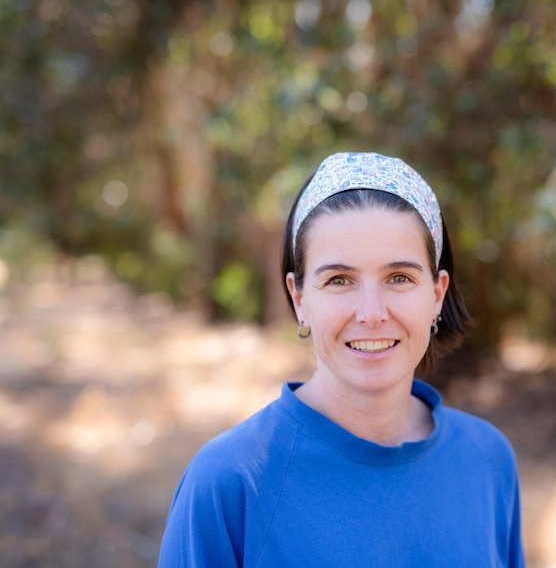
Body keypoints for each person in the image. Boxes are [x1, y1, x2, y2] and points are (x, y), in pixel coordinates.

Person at [158, 152, 526, 567]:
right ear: (300, 299)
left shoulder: (487, 458)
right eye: (339, 280)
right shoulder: (231, 481)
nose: (372, 313)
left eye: (399, 278)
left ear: (436, 294)